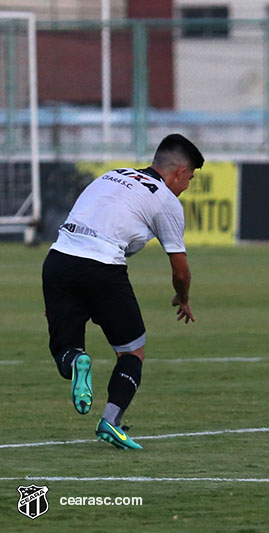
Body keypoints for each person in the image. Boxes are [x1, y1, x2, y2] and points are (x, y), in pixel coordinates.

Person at [42, 133, 204, 449]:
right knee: (132, 352)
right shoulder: (165, 199)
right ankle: (110, 422)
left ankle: (76, 361)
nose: (186, 187)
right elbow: (180, 269)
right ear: (180, 172)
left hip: (58, 260)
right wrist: (182, 298)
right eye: (190, 179)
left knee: (66, 348)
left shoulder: (111, 175)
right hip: (103, 268)